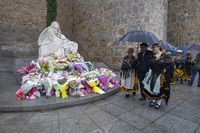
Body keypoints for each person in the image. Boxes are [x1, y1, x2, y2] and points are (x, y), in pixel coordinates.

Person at [142, 43, 173, 109]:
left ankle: (159, 102)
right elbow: (149, 64)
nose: (152, 49)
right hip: (154, 74)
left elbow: (171, 64)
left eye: (154, 47)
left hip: (162, 76)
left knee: (160, 89)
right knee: (153, 87)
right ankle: (153, 99)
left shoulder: (166, 55)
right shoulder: (153, 56)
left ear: (158, 47)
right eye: (152, 48)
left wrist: (166, 68)